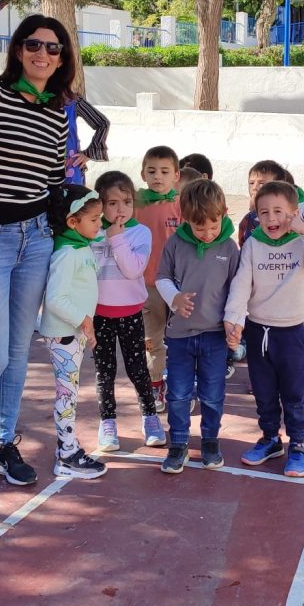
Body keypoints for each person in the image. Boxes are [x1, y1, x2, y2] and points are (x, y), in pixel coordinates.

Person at [0, 14, 107, 499]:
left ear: (63, 57)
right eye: (33, 44)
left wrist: (83, 216)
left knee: (15, 353)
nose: (42, 54)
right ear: (17, 50)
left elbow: (52, 183)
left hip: (36, 239)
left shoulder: (56, 111)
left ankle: (3, 443)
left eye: (53, 48)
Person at [224, 181, 304, 478]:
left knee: (293, 393)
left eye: (278, 211)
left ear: (293, 213)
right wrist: (233, 318)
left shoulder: (303, 240)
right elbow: (241, 283)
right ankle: (271, 439)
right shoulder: (253, 243)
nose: (271, 218)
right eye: (264, 212)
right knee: (264, 392)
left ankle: (297, 444)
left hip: (291, 332)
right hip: (258, 330)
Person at [156, 179, 239, 474]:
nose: (207, 233)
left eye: (213, 226)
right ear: (185, 218)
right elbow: (162, 278)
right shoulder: (175, 243)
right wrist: (174, 298)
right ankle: (178, 443)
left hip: (215, 336)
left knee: (212, 394)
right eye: (198, 227)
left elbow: (238, 289)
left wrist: (235, 324)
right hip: (179, 336)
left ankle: (210, 441)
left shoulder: (229, 247)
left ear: (224, 214)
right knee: (178, 394)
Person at [89, 170, 163, 452]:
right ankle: (107, 422)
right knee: (104, 372)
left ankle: (150, 417)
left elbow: (133, 269)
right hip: (99, 316)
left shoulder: (140, 233)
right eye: (112, 203)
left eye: (127, 202)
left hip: (130, 314)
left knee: (138, 369)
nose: (121, 209)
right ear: (100, 205)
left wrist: (116, 239)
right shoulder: (91, 233)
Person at [41, 184, 107, 479]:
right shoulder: (67, 254)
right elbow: (56, 299)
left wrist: (85, 325)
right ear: (72, 222)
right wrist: (83, 320)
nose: (99, 224)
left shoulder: (80, 247)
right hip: (64, 334)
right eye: (94, 219)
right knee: (66, 394)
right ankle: (66, 455)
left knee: (69, 391)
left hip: (74, 332)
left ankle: (67, 449)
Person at [136, 145, 181, 412]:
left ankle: (179, 385)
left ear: (176, 175)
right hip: (146, 285)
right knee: (151, 339)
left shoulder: (182, 205)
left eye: (165, 171)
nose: (158, 177)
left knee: (179, 340)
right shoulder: (136, 204)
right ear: (143, 174)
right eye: (151, 171)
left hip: (177, 286)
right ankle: (154, 385)